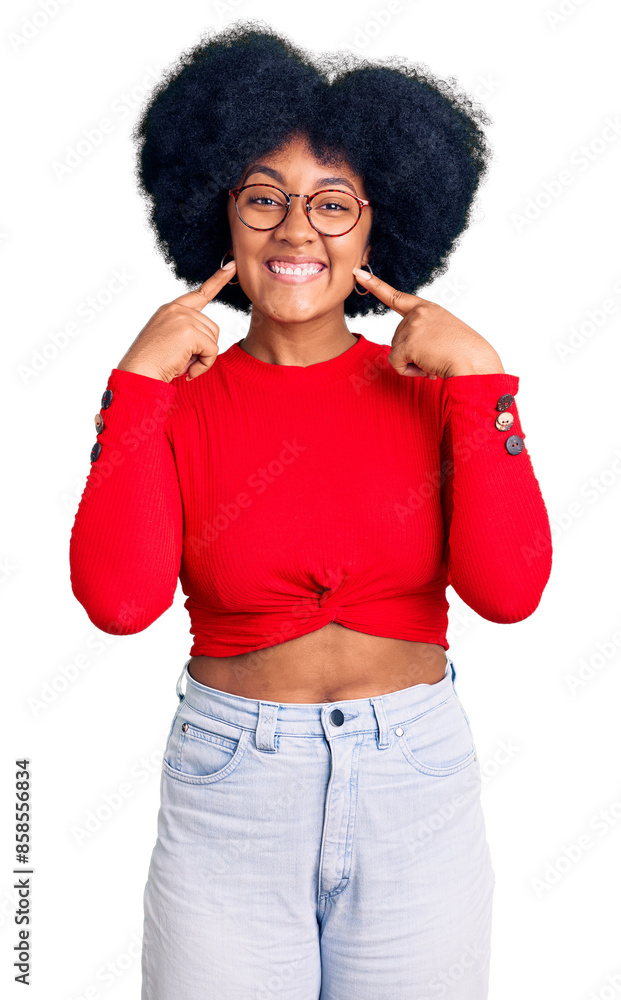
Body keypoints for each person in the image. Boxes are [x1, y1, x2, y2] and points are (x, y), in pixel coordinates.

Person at [69, 21, 553, 1000]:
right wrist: (133, 391)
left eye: (334, 204)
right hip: (231, 794)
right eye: (264, 199)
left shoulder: (434, 387)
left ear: (381, 225)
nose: (298, 231)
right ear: (216, 213)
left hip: (415, 785)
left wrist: (483, 385)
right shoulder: (176, 397)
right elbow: (119, 603)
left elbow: (509, 592)